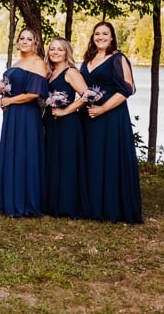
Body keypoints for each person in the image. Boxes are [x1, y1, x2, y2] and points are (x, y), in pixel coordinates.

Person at [80, 21, 142, 224]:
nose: (100, 37)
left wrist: (102, 109)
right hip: (89, 116)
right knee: (92, 157)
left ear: (112, 37)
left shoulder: (117, 58)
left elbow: (127, 89)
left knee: (110, 157)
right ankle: (92, 205)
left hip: (111, 115)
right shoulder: (88, 59)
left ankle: (111, 207)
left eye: (105, 34)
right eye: (97, 33)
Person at [0, 28, 48, 217]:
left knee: (25, 153)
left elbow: (34, 94)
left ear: (35, 43)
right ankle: (8, 198)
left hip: (26, 115)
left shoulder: (37, 62)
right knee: (11, 153)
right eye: (21, 38)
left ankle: (25, 201)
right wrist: (4, 99)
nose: (24, 41)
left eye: (29, 39)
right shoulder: (17, 63)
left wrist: (10, 101)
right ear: (17, 42)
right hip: (12, 115)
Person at [43, 37, 90, 219]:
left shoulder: (71, 72)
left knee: (67, 162)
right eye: (52, 49)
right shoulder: (50, 72)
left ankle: (68, 205)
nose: (55, 52)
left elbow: (87, 95)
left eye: (60, 49)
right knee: (53, 160)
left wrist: (65, 111)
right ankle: (52, 203)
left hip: (68, 123)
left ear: (66, 53)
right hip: (51, 121)